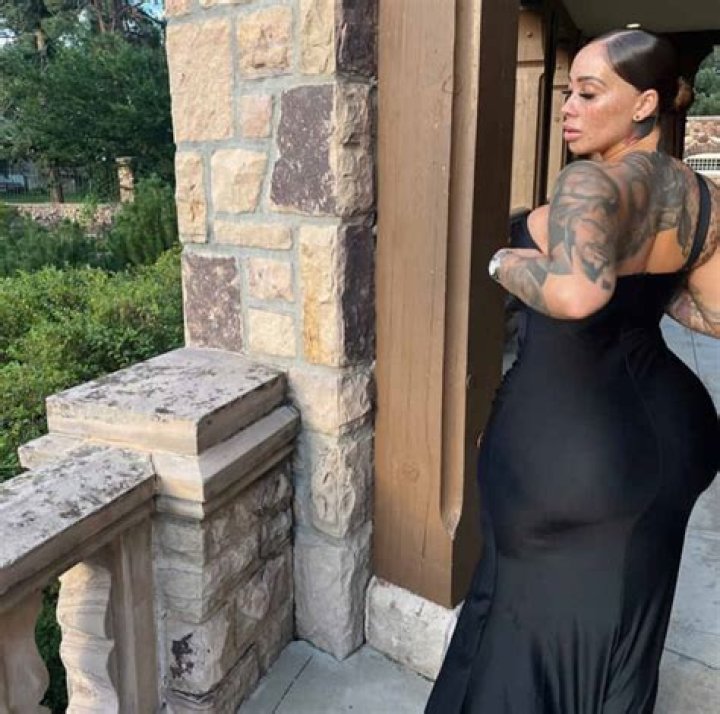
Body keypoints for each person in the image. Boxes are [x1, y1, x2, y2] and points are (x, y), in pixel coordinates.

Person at [425, 29, 719, 714]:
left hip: (572, 453)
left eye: (589, 93)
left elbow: (577, 295)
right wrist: (646, 293)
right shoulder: (700, 195)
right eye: (569, 92)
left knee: (519, 620)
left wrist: (504, 260)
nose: (569, 107)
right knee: (623, 619)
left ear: (644, 104)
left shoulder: (589, 183)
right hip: (676, 438)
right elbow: (713, 313)